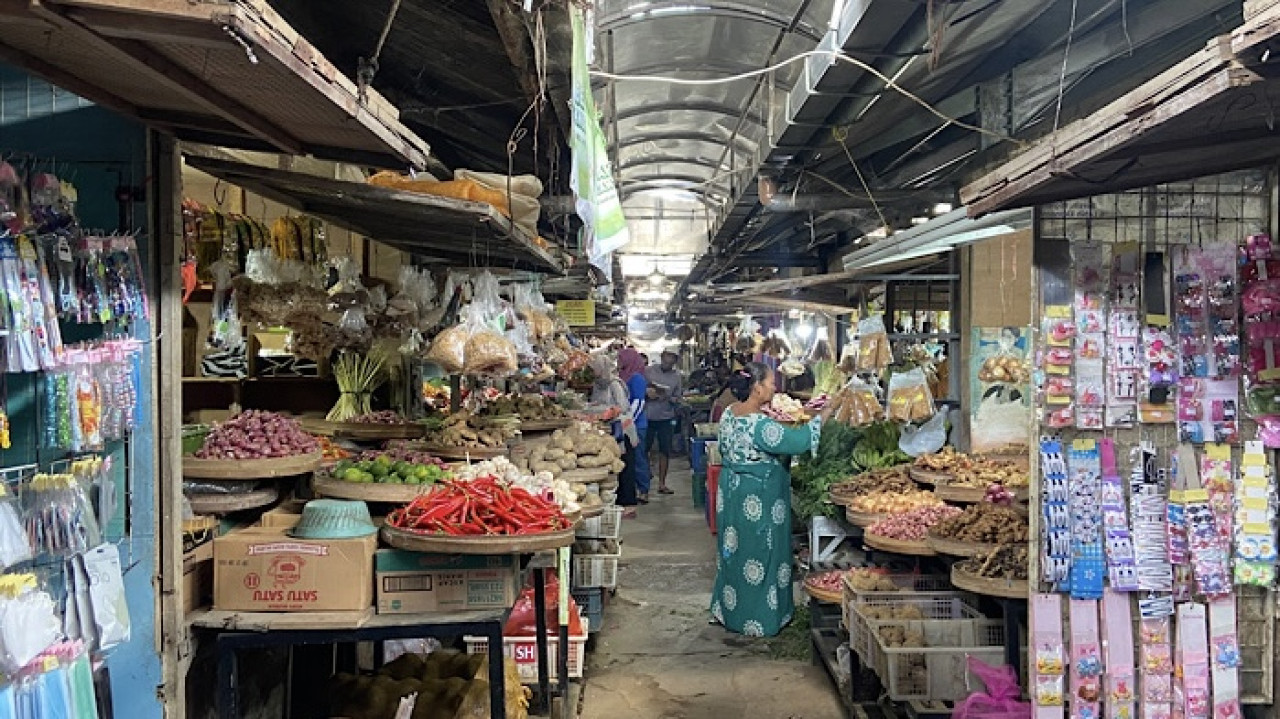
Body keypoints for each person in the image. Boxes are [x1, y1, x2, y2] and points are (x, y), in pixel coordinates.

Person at [710, 363, 830, 637]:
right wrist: (824, 415)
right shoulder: (759, 425)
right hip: (758, 497)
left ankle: (731, 610)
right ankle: (760, 618)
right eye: (771, 383)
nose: (775, 388)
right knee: (762, 553)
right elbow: (798, 441)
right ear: (757, 388)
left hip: (731, 494)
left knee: (734, 551)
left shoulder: (729, 413)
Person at [644, 350, 684, 495]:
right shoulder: (648, 371)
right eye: (667, 357)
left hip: (666, 418)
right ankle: (644, 482)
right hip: (648, 416)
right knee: (644, 450)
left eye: (672, 359)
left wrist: (668, 397)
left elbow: (678, 397)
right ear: (661, 357)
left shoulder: (676, 377)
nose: (668, 361)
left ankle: (662, 483)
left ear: (675, 361)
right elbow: (639, 390)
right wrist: (648, 393)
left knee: (664, 450)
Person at [617, 348, 649, 516]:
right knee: (631, 459)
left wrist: (629, 422)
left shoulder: (637, 378)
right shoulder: (624, 376)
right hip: (627, 424)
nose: (619, 362)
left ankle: (643, 489)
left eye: (621, 359)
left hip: (636, 425)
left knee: (638, 458)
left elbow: (638, 402)